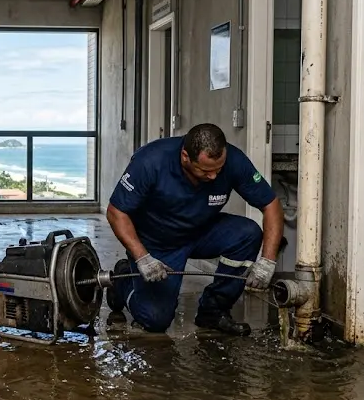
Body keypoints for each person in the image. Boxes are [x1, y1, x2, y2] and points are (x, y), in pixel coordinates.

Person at [105, 123, 284, 336]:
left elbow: (271, 205)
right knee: (155, 320)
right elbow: (116, 212)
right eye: (206, 171)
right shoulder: (151, 161)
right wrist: (142, 257)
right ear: (185, 157)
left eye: (219, 169)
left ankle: (213, 311)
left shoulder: (234, 161)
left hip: (202, 231)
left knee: (247, 233)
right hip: (158, 243)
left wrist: (267, 261)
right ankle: (123, 280)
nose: (214, 177)